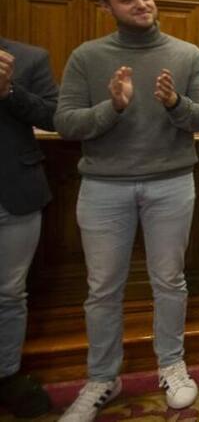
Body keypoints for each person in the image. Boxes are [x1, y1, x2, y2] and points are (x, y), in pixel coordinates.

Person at [54, 0, 199, 421]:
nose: (142, 4)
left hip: (171, 183)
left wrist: (173, 103)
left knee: (170, 281)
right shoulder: (87, 57)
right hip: (104, 187)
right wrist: (114, 107)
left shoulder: (186, 54)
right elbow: (65, 123)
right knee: (103, 288)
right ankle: (103, 377)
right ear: (106, 7)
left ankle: (171, 364)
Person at [0, 38, 58, 418]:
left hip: (12, 191)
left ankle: (7, 375)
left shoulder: (27, 58)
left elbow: (52, 117)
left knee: (9, 293)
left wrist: (8, 91)